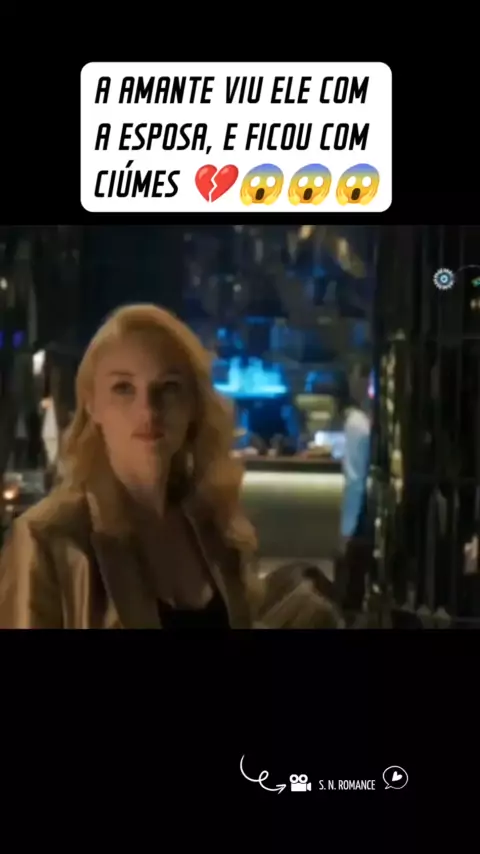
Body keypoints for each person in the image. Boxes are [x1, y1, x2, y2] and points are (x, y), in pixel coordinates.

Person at [0, 304, 261, 629]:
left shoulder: (216, 530)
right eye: (123, 388)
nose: (148, 410)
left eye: (168, 387)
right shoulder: (47, 540)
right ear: (92, 405)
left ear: (194, 405)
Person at [335, 364, 372, 619]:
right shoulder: (362, 421)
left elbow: (354, 479)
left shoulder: (355, 423)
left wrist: (346, 529)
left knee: (351, 587)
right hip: (365, 511)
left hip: (360, 516)